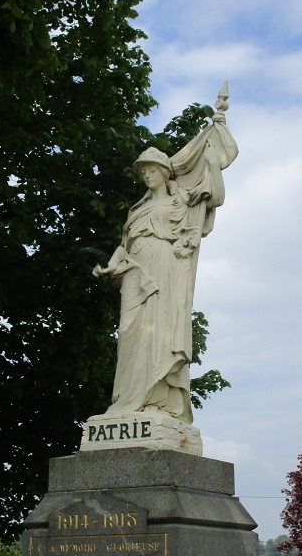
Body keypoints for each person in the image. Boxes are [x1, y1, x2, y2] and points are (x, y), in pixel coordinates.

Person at [93, 144, 225, 424]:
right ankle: (127, 400)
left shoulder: (179, 202)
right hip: (133, 272)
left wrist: (212, 162)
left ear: (165, 173)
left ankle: (157, 400)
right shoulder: (137, 209)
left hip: (164, 267)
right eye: (143, 172)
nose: (146, 175)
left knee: (160, 331)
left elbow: (215, 197)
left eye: (151, 170)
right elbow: (123, 245)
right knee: (129, 331)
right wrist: (110, 266)